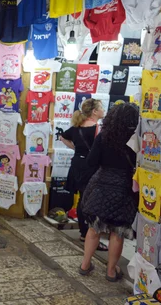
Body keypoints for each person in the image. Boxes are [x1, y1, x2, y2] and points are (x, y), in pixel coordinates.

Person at [79, 103, 139, 282]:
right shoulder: (136, 138)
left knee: (94, 228)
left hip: (101, 186)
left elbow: (91, 161)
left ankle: (85, 265)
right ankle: (111, 271)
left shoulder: (104, 135)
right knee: (118, 232)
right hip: (124, 187)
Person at [60, 99, 107, 251]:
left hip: (77, 164)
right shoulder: (98, 129)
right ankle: (90, 236)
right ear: (94, 111)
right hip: (91, 166)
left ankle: (83, 232)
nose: (103, 110)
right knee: (92, 200)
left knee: (82, 198)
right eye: (101, 108)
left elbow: (62, 137)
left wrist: (76, 148)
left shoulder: (76, 127)